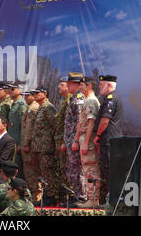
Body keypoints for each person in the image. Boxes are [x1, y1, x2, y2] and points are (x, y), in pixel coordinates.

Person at [93, 75, 125, 198]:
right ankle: (113, 195)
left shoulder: (111, 99)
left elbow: (105, 120)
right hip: (110, 139)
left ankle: (114, 196)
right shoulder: (109, 98)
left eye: (101, 84)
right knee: (109, 168)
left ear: (109, 85)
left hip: (109, 139)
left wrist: (97, 135)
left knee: (111, 168)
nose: (99, 87)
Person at [29, 85, 58, 206]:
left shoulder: (48, 107)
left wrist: (52, 143)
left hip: (46, 147)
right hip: (39, 147)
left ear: (44, 93)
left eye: (37, 93)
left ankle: (50, 197)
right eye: (34, 93)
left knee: (48, 172)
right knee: (43, 173)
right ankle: (46, 195)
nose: (35, 95)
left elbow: (55, 125)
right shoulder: (41, 107)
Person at [75, 76, 101, 208]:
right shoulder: (87, 100)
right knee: (87, 169)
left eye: (82, 85)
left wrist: (85, 142)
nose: (80, 87)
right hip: (84, 138)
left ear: (89, 86)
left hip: (88, 139)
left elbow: (91, 123)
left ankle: (94, 199)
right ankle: (91, 198)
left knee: (91, 169)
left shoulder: (91, 101)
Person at [62, 72, 86, 204]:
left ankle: (82, 196)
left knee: (77, 169)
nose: (68, 86)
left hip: (75, 141)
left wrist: (76, 140)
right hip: (71, 140)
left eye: (69, 84)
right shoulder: (73, 98)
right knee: (72, 170)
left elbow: (80, 121)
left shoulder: (79, 99)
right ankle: (78, 194)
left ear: (76, 84)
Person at [20, 90, 40, 200]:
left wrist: (26, 143)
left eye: (28, 95)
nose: (26, 97)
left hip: (31, 145)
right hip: (28, 143)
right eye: (25, 95)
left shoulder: (33, 108)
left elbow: (29, 128)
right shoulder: (30, 107)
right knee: (29, 171)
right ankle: (34, 195)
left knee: (31, 171)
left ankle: (36, 196)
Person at [54, 77, 71, 202]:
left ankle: (70, 195)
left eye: (62, 84)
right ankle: (65, 196)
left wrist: (65, 141)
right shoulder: (64, 101)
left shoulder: (70, 101)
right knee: (62, 168)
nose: (59, 87)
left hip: (66, 140)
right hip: (60, 140)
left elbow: (69, 124)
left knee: (67, 168)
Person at [7, 81, 27, 179]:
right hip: (12, 140)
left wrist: (21, 143)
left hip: (17, 141)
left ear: (20, 90)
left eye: (13, 89)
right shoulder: (15, 104)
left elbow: (24, 126)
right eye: (9, 89)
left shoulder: (21, 105)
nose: (10, 91)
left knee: (17, 167)